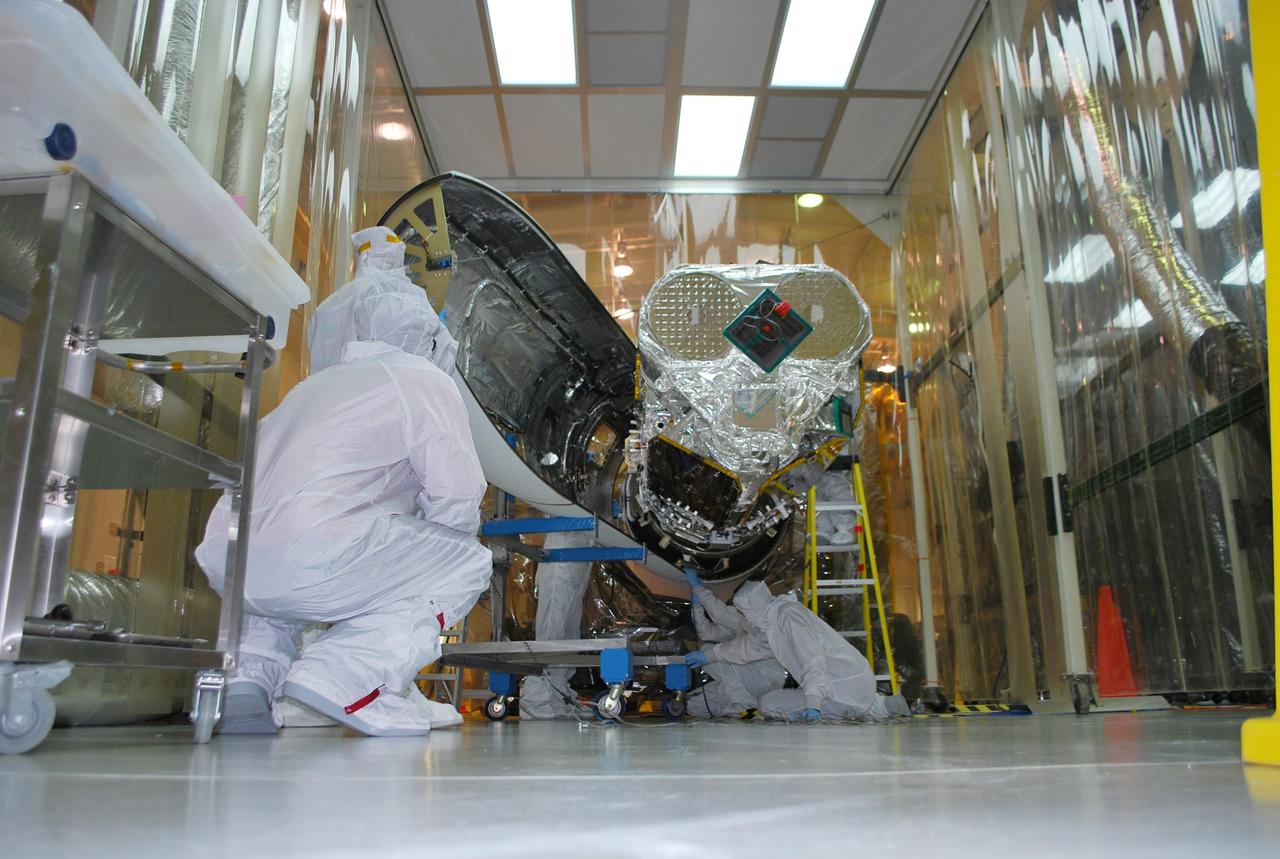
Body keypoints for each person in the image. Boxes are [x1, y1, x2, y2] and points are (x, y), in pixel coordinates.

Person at [196, 226, 492, 737]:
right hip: (317, 557)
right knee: (465, 561)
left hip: (233, 562)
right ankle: (347, 674)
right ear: (425, 332)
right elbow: (458, 495)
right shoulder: (419, 379)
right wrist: (427, 557)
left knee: (282, 578)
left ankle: (250, 680)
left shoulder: (309, 390)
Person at [686, 581, 911, 722]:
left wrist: (812, 705)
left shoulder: (788, 618)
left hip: (841, 686)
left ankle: (850, 709)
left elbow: (813, 660)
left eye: (745, 611)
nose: (745, 616)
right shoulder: (773, 620)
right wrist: (709, 655)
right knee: (774, 699)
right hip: (852, 682)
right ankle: (881, 706)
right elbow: (747, 648)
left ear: (753, 608)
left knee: (768, 704)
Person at [683, 569, 786, 718]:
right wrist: (697, 607)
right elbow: (707, 633)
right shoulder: (745, 621)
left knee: (711, 653)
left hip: (765, 678)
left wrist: (698, 589)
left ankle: (745, 708)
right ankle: (744, 706)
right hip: (747, 677)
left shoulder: (765, 625)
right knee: (695, 706)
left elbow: (720, 615)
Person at [519, 531, 594, 719]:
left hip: (581, 556)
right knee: (550, 633)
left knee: (569, 635)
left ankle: (558, 696)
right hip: (561, 556)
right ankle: (534, 699)